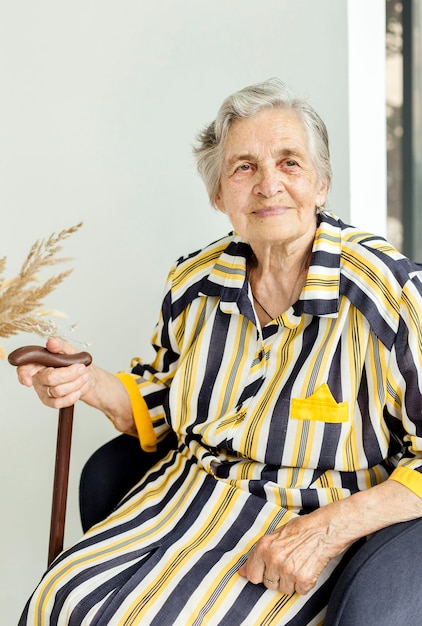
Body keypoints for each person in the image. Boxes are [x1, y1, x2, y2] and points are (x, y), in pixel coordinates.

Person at [16, 78, 422, 625]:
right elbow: (163, 398)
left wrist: (328, 529)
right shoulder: (195, 283)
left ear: (321, 184)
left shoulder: (390, 294)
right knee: (60, 599)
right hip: (182, 502)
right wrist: (86, 384)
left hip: (306, 525)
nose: (268, 185)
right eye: (244, 167)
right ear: (218, 194)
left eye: (290, 163)